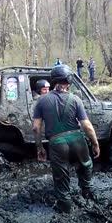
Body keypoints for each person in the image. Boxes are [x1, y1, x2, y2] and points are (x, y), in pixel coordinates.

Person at [32, 64, 101, 213]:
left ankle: (66, 209)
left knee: (61, 176)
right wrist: (95, 144)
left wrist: (39, 147)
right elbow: (87, 126)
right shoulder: (75, 99)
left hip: (57, 143)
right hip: (78, 140)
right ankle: (88, 196)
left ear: (53, 80)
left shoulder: (42, 101)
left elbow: (36, 127)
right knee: (86, 166)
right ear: (69, 82)